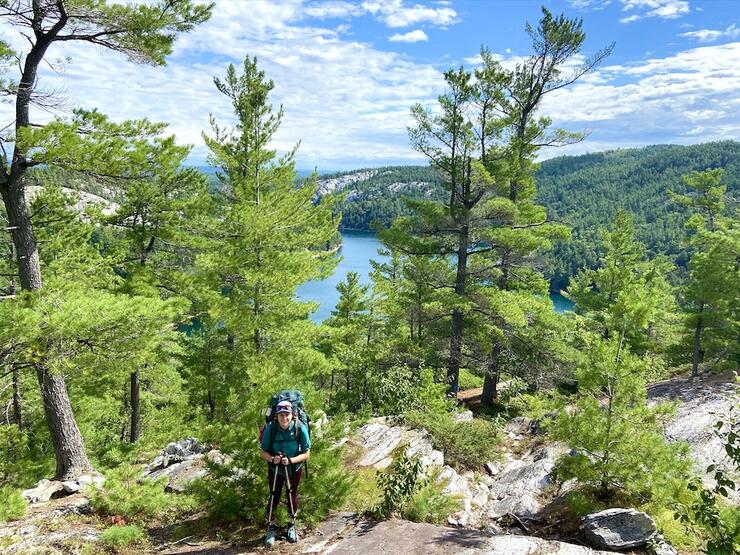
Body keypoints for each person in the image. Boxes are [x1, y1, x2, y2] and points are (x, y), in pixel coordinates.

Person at [260, 399, 311, 547]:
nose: (284, 418)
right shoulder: (271, 428)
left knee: (292, 494)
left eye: (287, 415)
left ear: (292, 415)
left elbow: (307, 453)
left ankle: (291, 526)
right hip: (275, 469)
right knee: (274, 494)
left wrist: (292, 460)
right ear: (277, 415)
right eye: (281, 415)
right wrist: (272, 459)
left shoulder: (299, 427)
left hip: (294, 468)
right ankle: (271, 528)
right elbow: (262, 452)